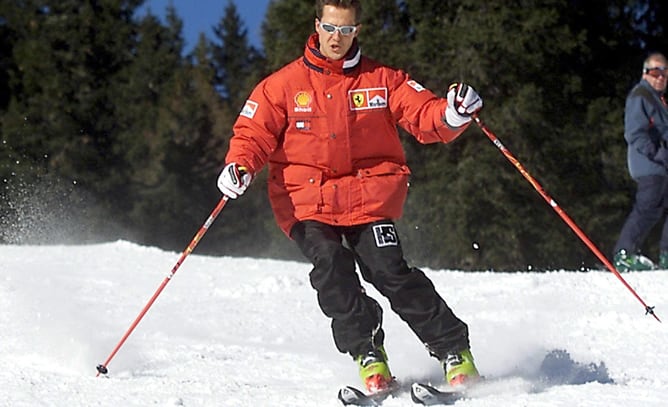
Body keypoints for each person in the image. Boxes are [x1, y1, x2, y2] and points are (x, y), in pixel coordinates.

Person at [217, 0, 482, 393]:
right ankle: (368, 353)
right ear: (316, 26)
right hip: (307, 201)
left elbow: (425, 115)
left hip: (368, 196)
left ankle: (453, 351)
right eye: (329, 28)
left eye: (345, 30)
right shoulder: (282, 86)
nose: (336, 38)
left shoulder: (384, 79)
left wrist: (452, 115)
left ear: (356, 30)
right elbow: (252, 134)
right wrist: (239, 166)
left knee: (388, 271)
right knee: (331, 267)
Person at [613, 52, 668, 272]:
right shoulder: (641, 96)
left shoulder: (659, 100)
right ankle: (624, 253)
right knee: (648, 207)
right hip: (650, 165)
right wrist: (658, 153)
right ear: (645, 73)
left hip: (662, 166)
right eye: (655, 71)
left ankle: (666, 255)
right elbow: (635, 133)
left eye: (665, 72)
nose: (661, 77)